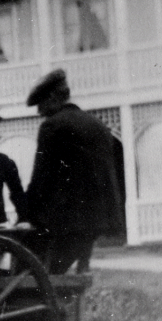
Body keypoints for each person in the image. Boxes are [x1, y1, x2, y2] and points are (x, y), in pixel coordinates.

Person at [25, 69, 123, 274]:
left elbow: (41, 178)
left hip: (65, 222)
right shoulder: (98, 125)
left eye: (41, 104)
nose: (39, 111)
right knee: (59, 271)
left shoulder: (52, 126)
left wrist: (25, 215)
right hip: (97, 219)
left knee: (34, 271)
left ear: (53, 97)